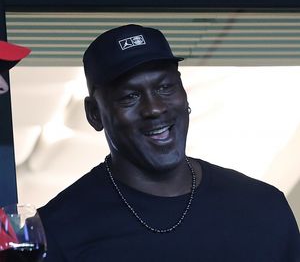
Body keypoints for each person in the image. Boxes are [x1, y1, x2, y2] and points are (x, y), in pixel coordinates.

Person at [38, 24, 300, 261]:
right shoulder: (56, 231)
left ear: (184, 95)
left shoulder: (263, 207)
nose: (154, 108)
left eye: (165, 88)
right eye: (130, 96)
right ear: (95, 114)